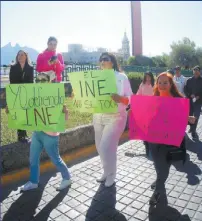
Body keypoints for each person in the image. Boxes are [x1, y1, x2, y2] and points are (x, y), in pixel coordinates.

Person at [18, 72, 71, 191]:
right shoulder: (35, 95)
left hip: (50, 135)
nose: (41, 82)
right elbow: (26, 110)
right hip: (37, 132)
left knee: (55, 159)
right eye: (39, 80)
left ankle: (67, 178)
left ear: (50, 81)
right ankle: (33, 181)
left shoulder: (55, 95)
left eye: (44, 80)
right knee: (33, 158)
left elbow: (64, 119)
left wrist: (65, 112)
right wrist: (12, 110)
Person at [149, 72, 196, 205]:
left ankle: (159, 186)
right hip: (154, 139)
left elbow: (179, 118)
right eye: (160, 82)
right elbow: (145, 116)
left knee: (164, 167)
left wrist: (188, 119)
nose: (162, 85)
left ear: (171, 85)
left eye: (165, 83)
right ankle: (159, 185)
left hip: (169, 140)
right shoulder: (152, 99)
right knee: (159, 165)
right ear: (156, 84)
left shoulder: (177, 101)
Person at [94, 52, 133, 187]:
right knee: (100, 147)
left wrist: (121, 99)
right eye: (101, 59)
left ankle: (111, 175)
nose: (103, 61)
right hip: (98, 116)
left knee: (107, 147)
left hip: (116, 116)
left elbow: (130, 97)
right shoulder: (95, 77)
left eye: (106, 59)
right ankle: (106, 171)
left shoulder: (121, 77)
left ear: (112, 62)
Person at [9, 50, 34, 143]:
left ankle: (25, 134)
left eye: (22, 55)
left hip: (26, 94)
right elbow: (12, 81)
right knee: (19, 114)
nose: (20, 56)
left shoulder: (30, 68)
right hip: (16, 94)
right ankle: (20, 135)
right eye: (18, 55)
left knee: (25, 114)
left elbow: (31, 82)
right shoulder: (13, 67)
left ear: (26, 56)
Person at [136, 72, 154, 157]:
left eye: (149, 77)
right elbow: (138, 94)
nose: (148, 79)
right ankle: (146, 144)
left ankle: (151, 144)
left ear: (151, 77)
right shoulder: (142, 84)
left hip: (152, 110)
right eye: (146, 77)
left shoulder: (154, 84)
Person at [184, 65, 202, 140]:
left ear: (200, 72)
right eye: (194, 71)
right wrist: (189, 94)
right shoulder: (189, 80)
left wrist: (199, 96)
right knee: (190, 116)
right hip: (190, 101)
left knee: (196, 116)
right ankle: (191, 128)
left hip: (198, 102)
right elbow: (185, 89)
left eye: (197, 71)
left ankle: (194, 131)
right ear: (193, 71)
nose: (196, 72)